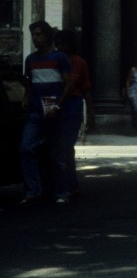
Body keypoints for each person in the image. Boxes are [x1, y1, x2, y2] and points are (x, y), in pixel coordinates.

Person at [19, 20, 72, 205]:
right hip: (35, 110)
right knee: (26, 148)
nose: (36, 38)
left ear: (47, 36)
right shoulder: (31, 60)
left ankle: (61, 192)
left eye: (39, 34)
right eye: (34, 34)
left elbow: (68, 84)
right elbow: (29, 82)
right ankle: (34, 190)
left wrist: (59, 105)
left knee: (57, 154)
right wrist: (26, 97)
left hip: (53, 109)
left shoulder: (60, 58)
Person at [53, 30, 92, 196]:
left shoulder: (79, 62)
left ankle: (70, 183)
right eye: (58, 44)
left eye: (63, 44)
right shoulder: (52, 61)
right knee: (56, 146)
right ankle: (59, 183)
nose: (60, 47)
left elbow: (86, 89)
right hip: (54, 104)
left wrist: (91, 113)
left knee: (67, 145)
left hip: (73, 105)